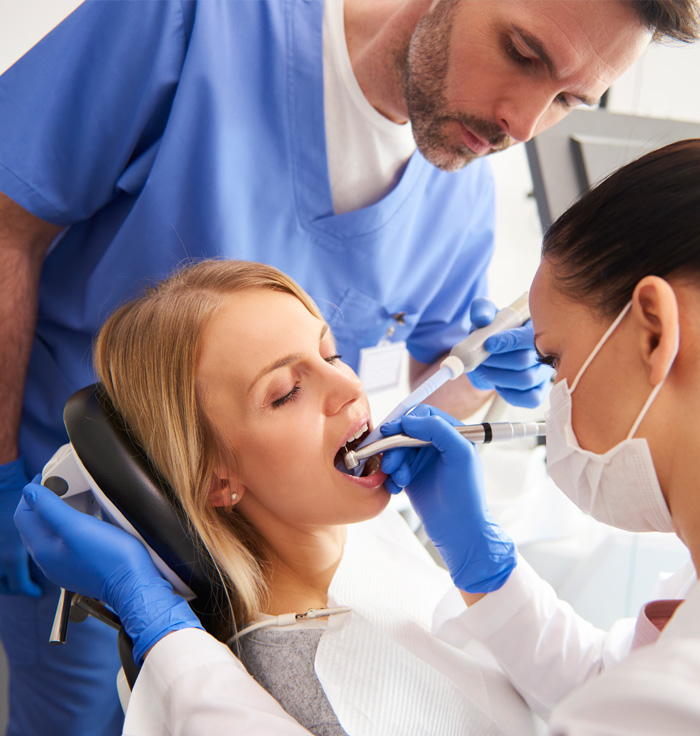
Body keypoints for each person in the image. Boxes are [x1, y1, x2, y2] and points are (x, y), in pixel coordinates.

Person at [0, 0, 695, 732]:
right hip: (73, 505)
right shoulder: (199, 25)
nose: (522, 124)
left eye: (570, 101)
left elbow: (423, 383)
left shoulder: (459, 194)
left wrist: (473, 386)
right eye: (522, 52)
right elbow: (11, 222)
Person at [18, 258, 545, 736]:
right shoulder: (307, 691)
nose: (347, 389)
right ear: (215, 478)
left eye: (331, 353)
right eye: (286, 392)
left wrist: (487, 569)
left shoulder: (355, 529)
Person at [376, 137, 700, 734]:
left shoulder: (675, 701)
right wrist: (487, 569)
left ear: (653, 331)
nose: (555, 395)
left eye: (555, 362)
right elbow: (612, 682)